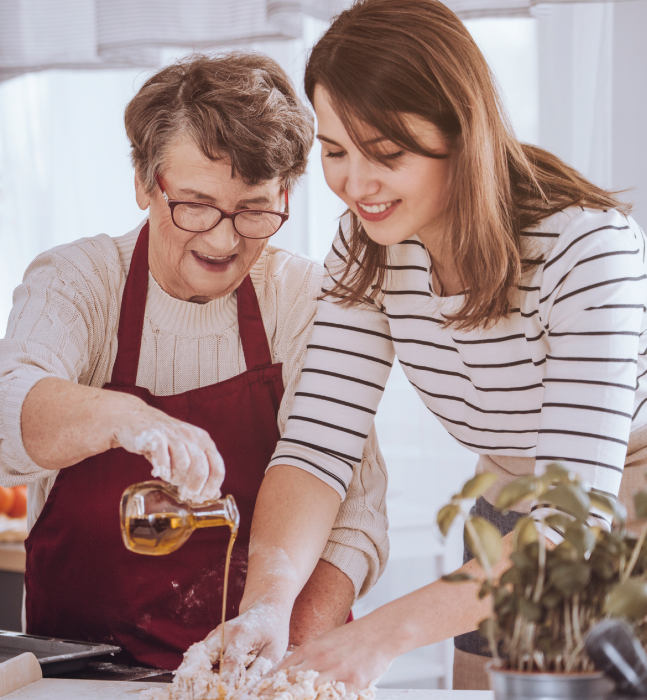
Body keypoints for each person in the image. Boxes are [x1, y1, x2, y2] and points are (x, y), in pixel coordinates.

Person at [205, 0, 647, 690]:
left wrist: (382, 635)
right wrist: (268, 602)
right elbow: (318, 445)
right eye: (336, 152)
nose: (356, 184)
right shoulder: (368, 243)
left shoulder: (587, 248)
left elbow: (572, 522)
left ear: (462, 130)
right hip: (511, 505)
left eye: (386, 153)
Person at [0, 52, 388, 670]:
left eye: (253, 209)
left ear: (285, 194)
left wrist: (277, 660)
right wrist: (122, 416)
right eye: (194, 204)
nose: (222, 240)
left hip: (264, 676)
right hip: (90, 682)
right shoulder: (80, 280)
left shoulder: (306, 299)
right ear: (144, 180)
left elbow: (354, 516)